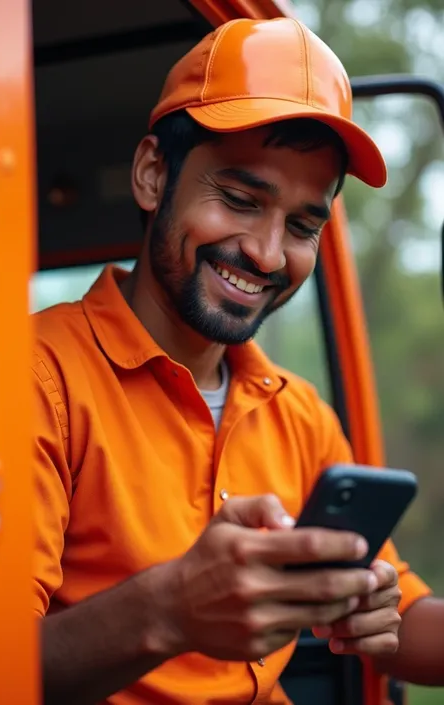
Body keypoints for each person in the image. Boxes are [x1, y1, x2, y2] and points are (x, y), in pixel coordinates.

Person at [34, 17, 444, 705]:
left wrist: (376, 609)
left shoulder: (301, 414)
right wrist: (170, 608)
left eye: (303, 226)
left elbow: (400, 615)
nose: (266, 251)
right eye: (239, 199)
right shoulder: (32, 376)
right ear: (151, 174)